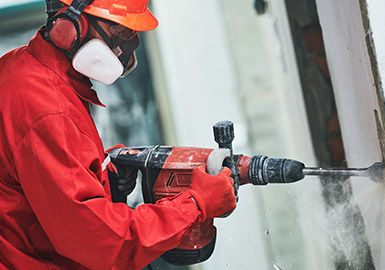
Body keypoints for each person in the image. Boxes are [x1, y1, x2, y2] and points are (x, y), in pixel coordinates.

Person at [0, 0, 237, 269]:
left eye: (132, 33)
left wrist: (104, 180)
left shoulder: (22, 69)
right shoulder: (47, 109)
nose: (128, 45)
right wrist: (196, 204)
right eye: (121, 31)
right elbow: (96, 241)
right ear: (70, 26)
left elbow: (34, 192)